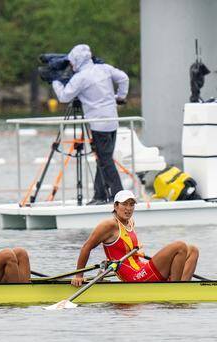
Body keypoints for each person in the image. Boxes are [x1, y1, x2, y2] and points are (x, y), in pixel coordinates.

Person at [53, 44, 129, 205]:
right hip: (112, 120)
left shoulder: (80, 78)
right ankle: (100, 196)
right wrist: (119, 97)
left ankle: (121, 198)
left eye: (72, 62)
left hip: (97, 124)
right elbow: (123, 78)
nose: (71, 66)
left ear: (77, 61)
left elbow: (64, 97)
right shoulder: (104, 68)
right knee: (103, 159)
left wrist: (56, 82)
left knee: (105, 160)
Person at [72, 190, 199, 286]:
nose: (128, 208)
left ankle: (181, 286)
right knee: (179, 246)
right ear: (116, 206)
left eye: (132, 204)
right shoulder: (109, 225)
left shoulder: (130, 222)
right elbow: (86, 247)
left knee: (193, 250)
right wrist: (79, 276)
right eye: (124, 204)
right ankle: (175, 289)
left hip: (142, 269)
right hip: (134, 277)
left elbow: (122, 249)